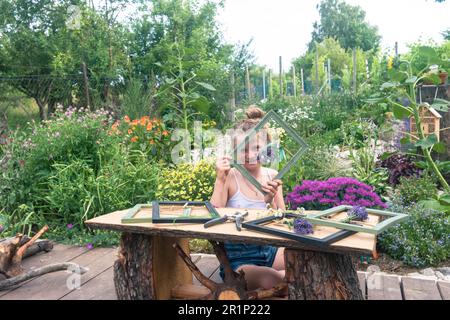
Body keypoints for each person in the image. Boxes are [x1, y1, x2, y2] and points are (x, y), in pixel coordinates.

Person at [210, 106, 286, 290]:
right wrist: (220, 178)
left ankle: (286, 277)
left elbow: (283, 219)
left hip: (270, 251)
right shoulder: (230, 177)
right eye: (243, 149)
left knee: (304, 256)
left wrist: (270, 200)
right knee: (273, 280)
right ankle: (284, 278)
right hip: (239, 260)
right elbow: (213, 215)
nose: (250, 155)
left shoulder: (272, 175)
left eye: (257, 148)